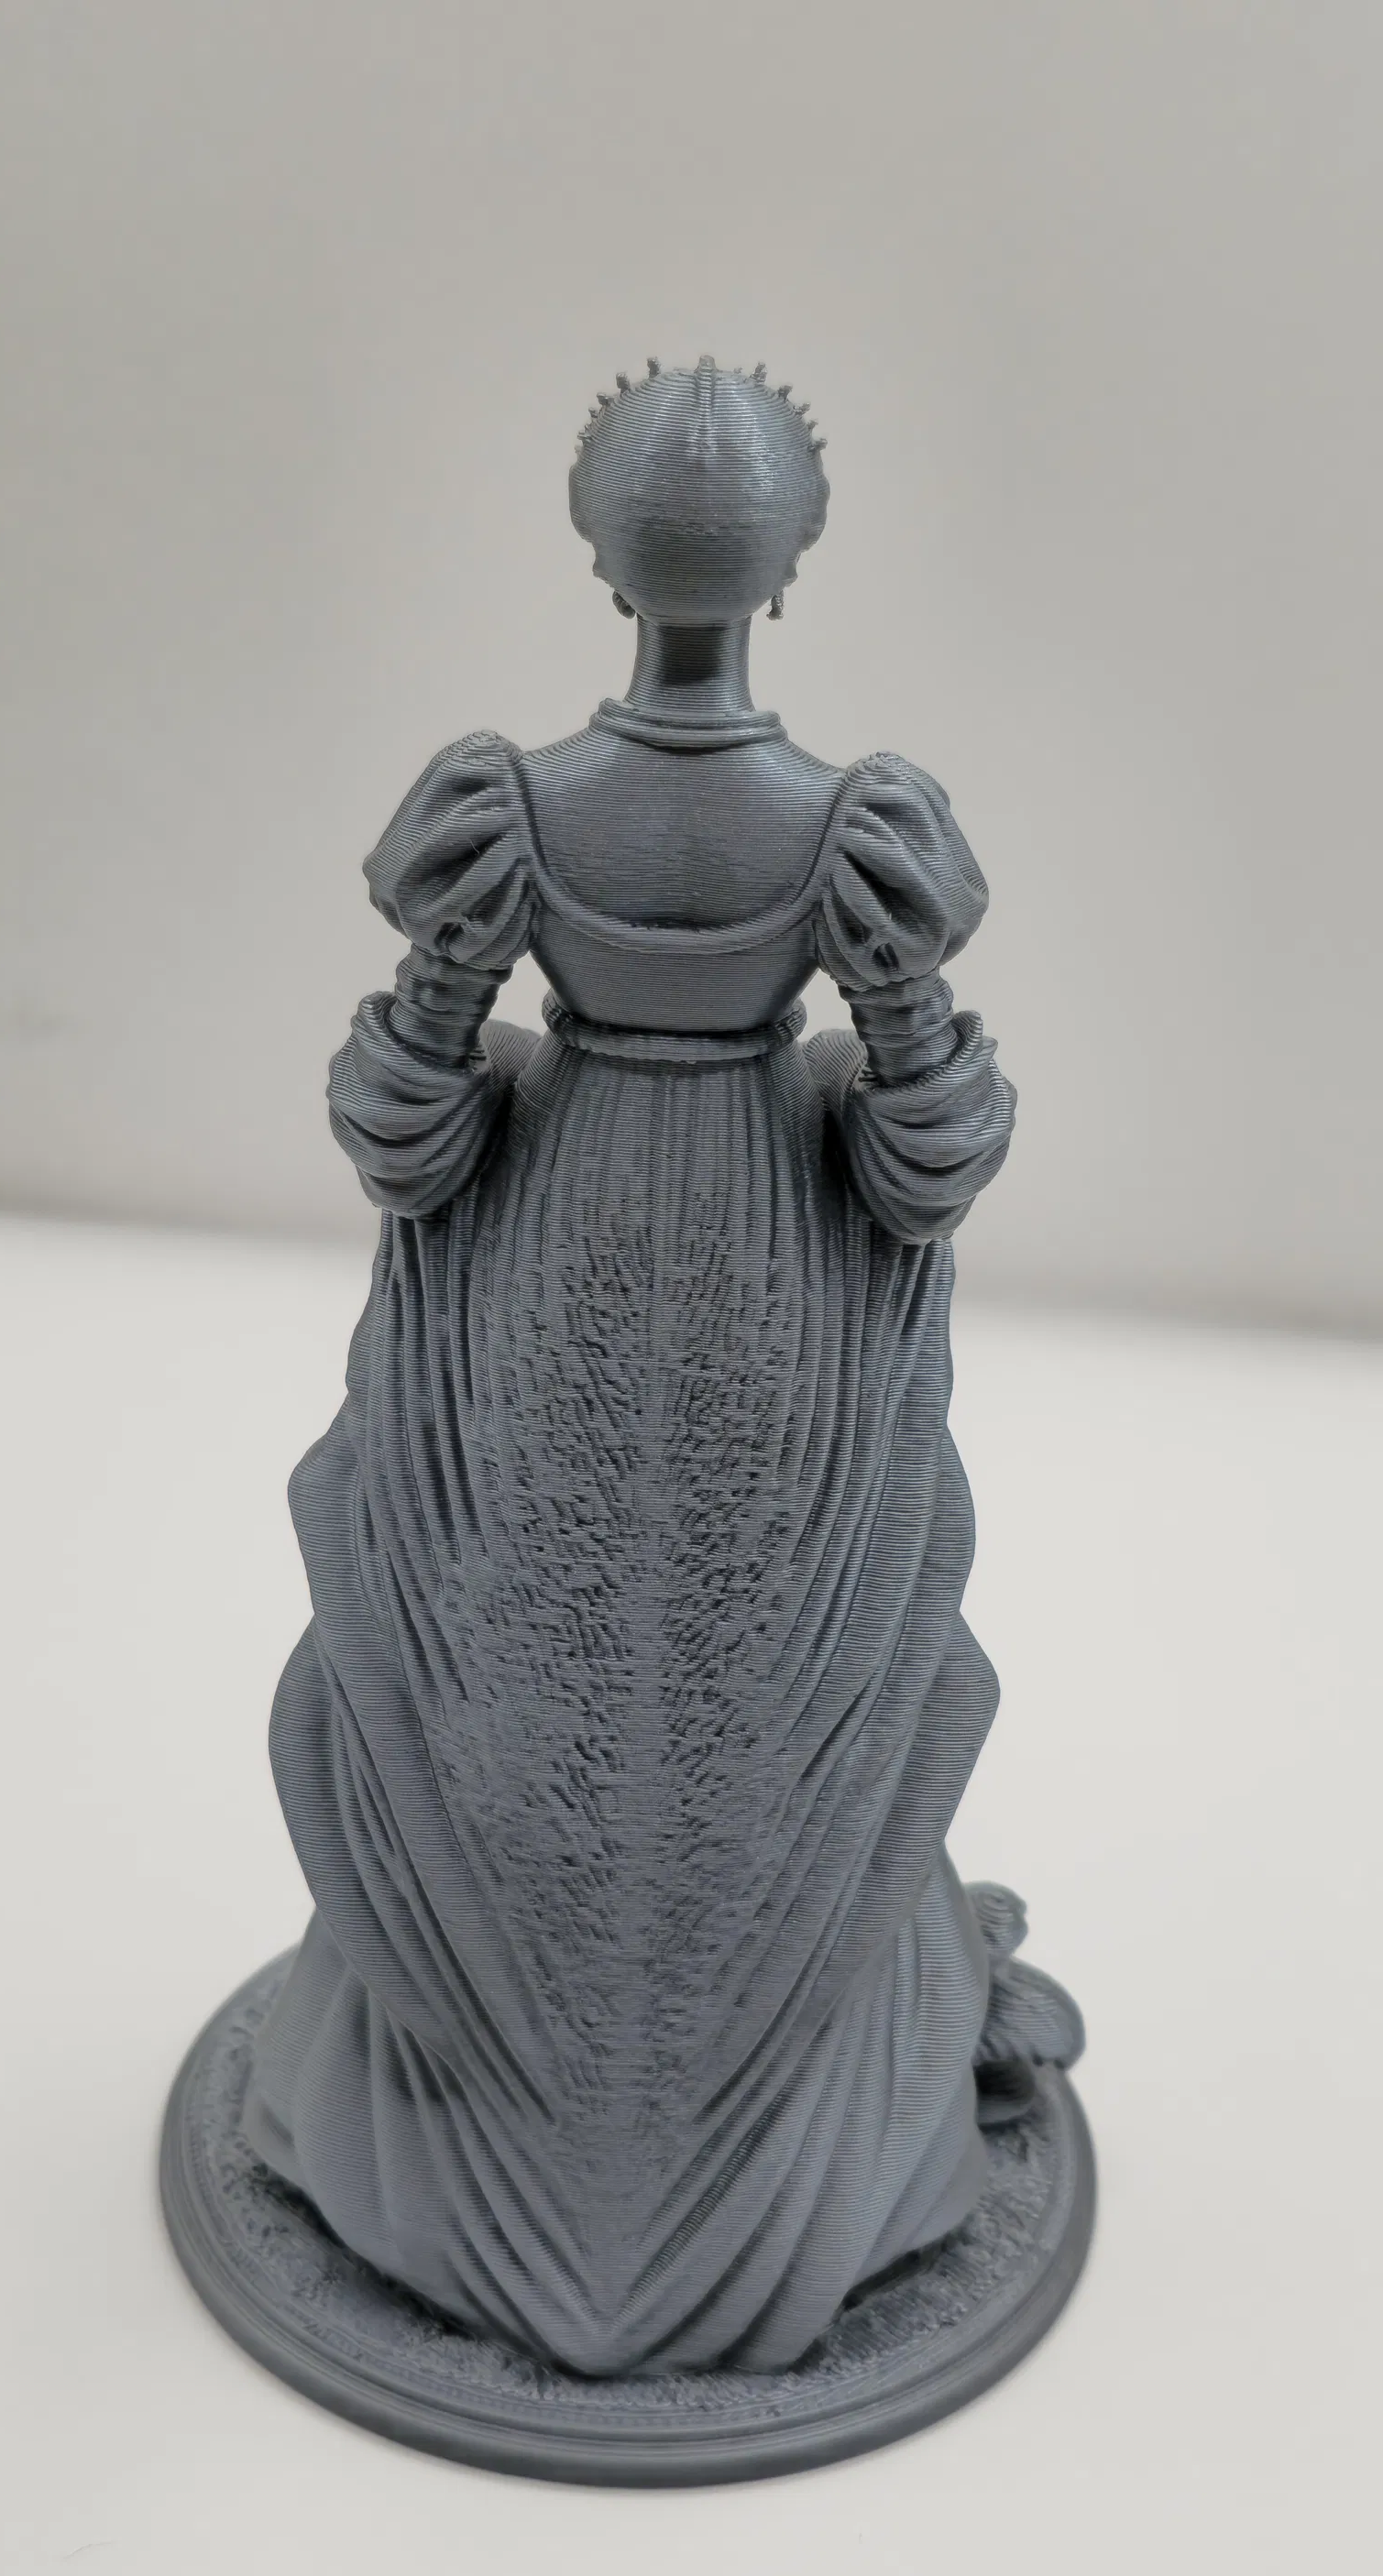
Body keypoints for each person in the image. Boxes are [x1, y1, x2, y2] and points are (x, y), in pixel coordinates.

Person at [241, 358, 1020, 2375]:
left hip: (559, 1249)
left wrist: (448, 987)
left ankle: (525, 2139)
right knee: (740, 1695)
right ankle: (703, 2160)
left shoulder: (512, 805)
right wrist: (899, 1013)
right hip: (767, 1280)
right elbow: (925, 1159)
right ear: (796, 564)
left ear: (596, 560)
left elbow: (406, 1122)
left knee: (520, 1678)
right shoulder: (849, 828)